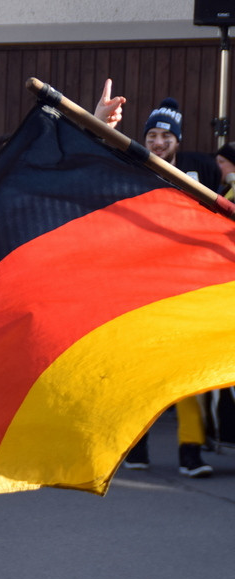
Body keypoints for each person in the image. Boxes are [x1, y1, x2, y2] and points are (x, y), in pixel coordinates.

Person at [118, 94, 215, 477]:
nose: (158, 142)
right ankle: (137, 448)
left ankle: (190, 452)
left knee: (189, 373)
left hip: (186, 285)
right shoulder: (132, 171)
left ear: (178, 139)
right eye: (152, 134)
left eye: (165, 136)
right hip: (139, 285)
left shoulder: (196, 176)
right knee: (140, 374)